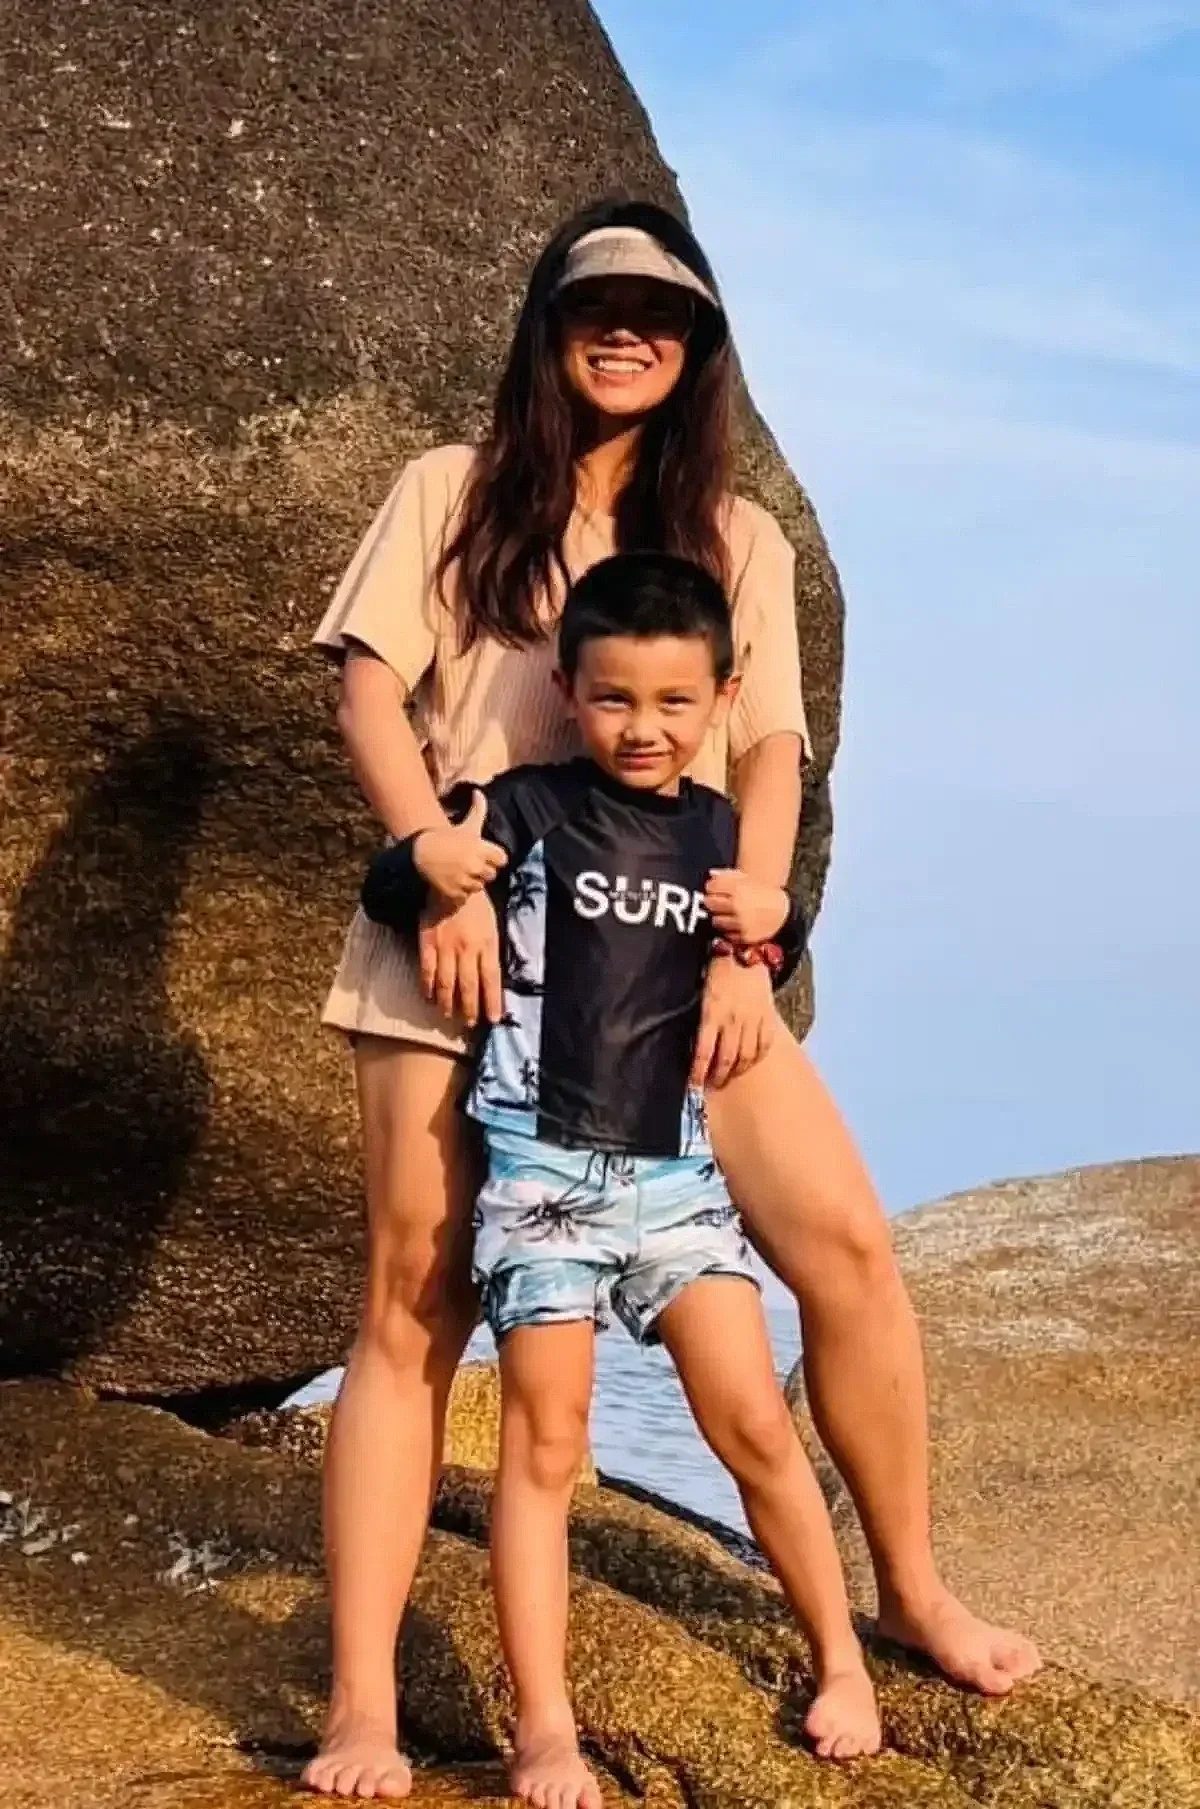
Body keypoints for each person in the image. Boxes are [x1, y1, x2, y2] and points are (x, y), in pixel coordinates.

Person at [303, 198, 1039, 1802]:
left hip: (675, 958)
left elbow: (766, 744)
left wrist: (750, 937)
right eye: (596, 303)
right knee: (414, 1297)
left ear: (700, 342)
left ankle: (905, 1591)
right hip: (469, 947)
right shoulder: (453, 490)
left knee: (844, 1244)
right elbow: (365, 674)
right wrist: (431, 852)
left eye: (663, 308)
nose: (626, 327)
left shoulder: (739, 534)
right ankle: (364, 1700)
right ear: (548, 325)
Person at [359, 551, 882, 1799]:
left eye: (673, 705)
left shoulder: (715, 834)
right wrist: (437, 868)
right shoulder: (525, 806)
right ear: (565, 687)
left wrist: (778, 917)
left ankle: (842, 1657)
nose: (642, 730)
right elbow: (397, 882)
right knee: (547, 1442)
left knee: (756, 1422)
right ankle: (545, 1725)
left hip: (678, 1183)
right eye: (612, 701)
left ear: (721, 697)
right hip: (541, 1183)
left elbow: (774, 924)